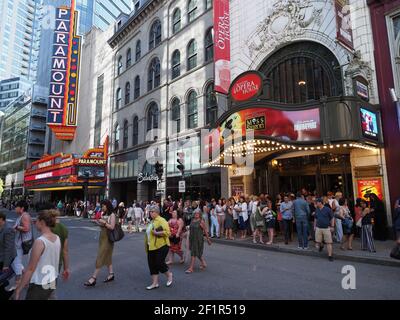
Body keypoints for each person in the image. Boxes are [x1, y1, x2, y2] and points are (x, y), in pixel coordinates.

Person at [14, 210, 61, 300]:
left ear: (42, 222)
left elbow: (31, 268)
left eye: (36, 221)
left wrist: (19, 289)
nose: (34, 223)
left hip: (39, 283)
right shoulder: (57, 238)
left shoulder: (40, 241)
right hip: (51, 279)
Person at [84, 200, 117, 286]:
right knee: (107, 256)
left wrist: (104, 223)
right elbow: (103, 225)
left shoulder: (112, 215)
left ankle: (93, 278)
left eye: (103, 206)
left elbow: (112, 227)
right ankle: (111, 274)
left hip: (108, 239)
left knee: (100, 256)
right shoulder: (105, 214)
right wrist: (97, 222)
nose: (102, 207)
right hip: (102, 238)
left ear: (107, 206)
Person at [144, 206, 173, 290]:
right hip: (151, 246)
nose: (150, 213)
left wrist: (157, 233)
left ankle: (169, 275)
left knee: (159, 263)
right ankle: (154, 283)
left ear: (157, 212)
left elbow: (168, 233)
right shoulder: (151, 221)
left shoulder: (162, 220)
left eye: (152, 211)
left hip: (162, 245)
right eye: (150, 211)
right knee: (152, 265)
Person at [12, 200, 32, 287]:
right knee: (15, 262)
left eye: (16, 207)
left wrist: (16, 227)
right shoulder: (21, 216)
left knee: (16, 262)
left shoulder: (25, 216)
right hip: (18, 243)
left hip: (20, 244)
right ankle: (25, 280)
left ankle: (18, 287)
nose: (15, 208)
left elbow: (26, 228)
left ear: (22, 208)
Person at [185, 209, 212, 273]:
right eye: (195, 213)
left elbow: (205, 231)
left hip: (198, 239)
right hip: (192, 238)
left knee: (194, 252)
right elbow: (190, 229)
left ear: (200, 214)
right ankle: (203, 263)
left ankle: (191, 268)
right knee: (197, 252)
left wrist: (208, 239)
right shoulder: (192, 220)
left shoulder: (201, 221)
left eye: (197, 213)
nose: (196, 214)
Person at [0, 211, 16, 300]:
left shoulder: (8, 229)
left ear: (2, 219)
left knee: (2, 276)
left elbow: (9, 249)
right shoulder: (1, 227)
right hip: (1, 255)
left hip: (6, 257)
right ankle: (6, 293)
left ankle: (8, 293)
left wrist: (6, 264)